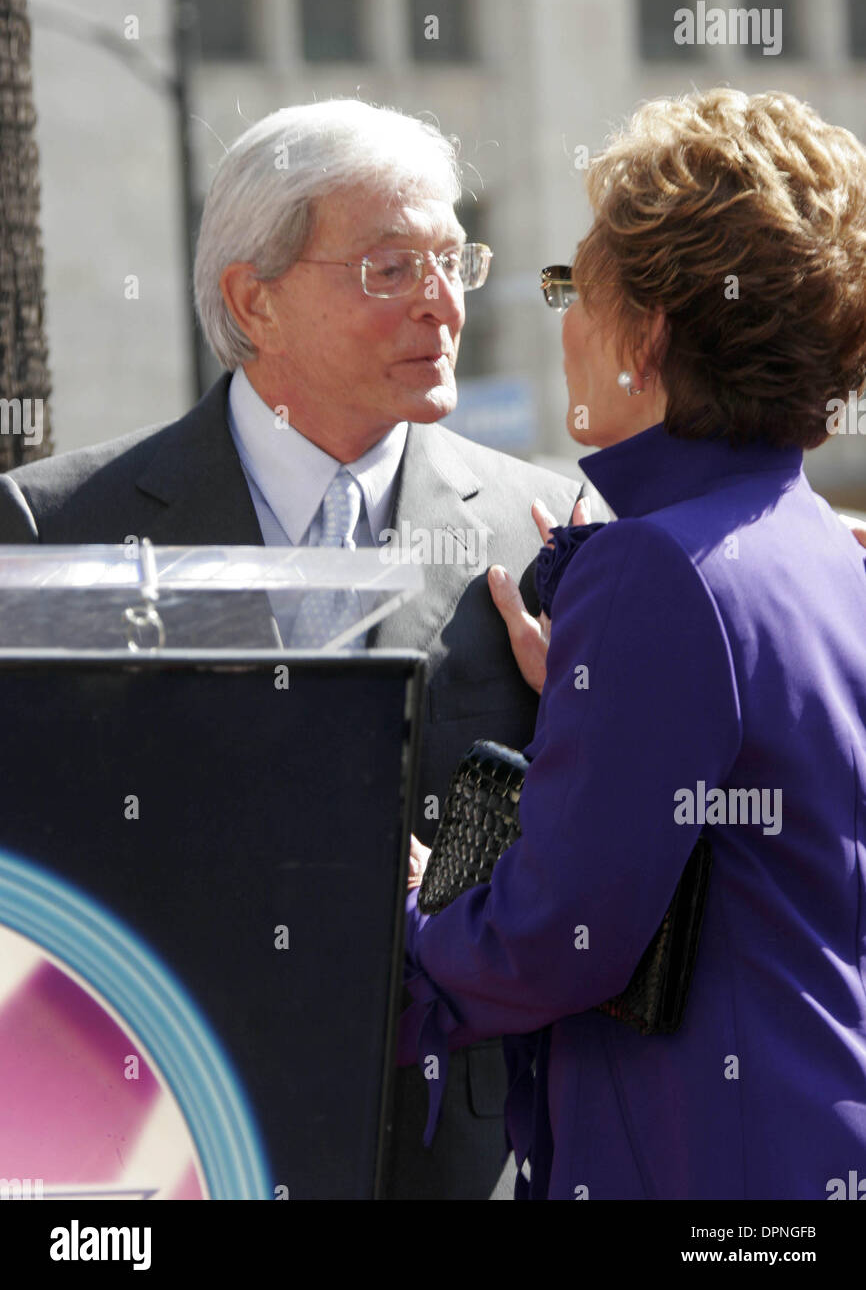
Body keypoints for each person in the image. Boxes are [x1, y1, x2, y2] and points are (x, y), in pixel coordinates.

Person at [0, 99, 587, 1199]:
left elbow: (593, 855)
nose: (442, 302)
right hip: (163, 1142)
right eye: (389, 267)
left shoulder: (546, 526)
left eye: (454, 259)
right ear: (251, 298)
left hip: (458, 1151)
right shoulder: (56, 528)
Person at [399, 88, 866, 1199]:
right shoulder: (818, 543)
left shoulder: (653, 568)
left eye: (571, 285)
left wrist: (413, 920)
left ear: (646, 333)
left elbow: (558, 937)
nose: (555, 314)